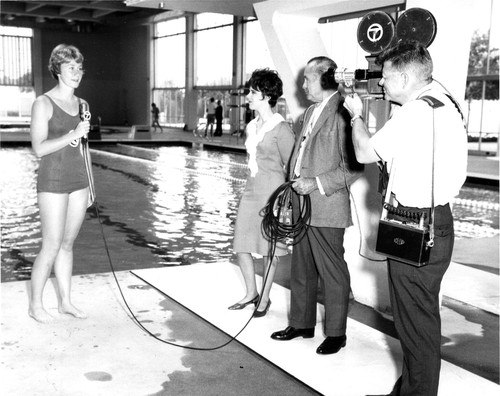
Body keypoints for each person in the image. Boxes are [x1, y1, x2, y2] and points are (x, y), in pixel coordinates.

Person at [343, 41, 467, 395]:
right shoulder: (445, 103)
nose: (381, 85)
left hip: (417, 223)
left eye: (386, 78)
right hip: (436, 220)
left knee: (417, 326)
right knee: (416, 320)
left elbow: (365, 152)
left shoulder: (414, 113)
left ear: (407, 77)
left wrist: (355, 115)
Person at [270, 56, 363, 354]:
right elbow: (301, 155)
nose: (303, 84)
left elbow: (355, 166)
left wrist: (316, 183)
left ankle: (336, 333)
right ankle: (302, 323)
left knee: (332, 273)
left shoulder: (343, 112)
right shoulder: (310, 111)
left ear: (325, 78)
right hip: (301, 204)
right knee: (301, 269)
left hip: (326, 205)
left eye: (308, 78)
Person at [28, 44, 92, 323]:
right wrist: (72, 133)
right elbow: (39, 149)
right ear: (58, 70)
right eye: (71, 68)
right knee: (51, 245)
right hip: (52, 180)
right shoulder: (42, 103)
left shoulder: (83, 105)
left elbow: (84, 148)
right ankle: (35, 305)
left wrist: (91, 184)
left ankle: (65, 302)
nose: (77, 73)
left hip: (79, 180)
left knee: (68, 244)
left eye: (79, 68)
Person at [228, 68, 295, 317]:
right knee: (241, 245)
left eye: (252, 92)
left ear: (266, 96)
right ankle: (251, 292)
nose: (247, 96)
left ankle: (264, 299)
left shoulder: (282, 129)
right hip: (251, 191)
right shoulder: (251, 126)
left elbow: (293, 167)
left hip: (272, 194)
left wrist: (284, 202)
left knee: (270, 249)